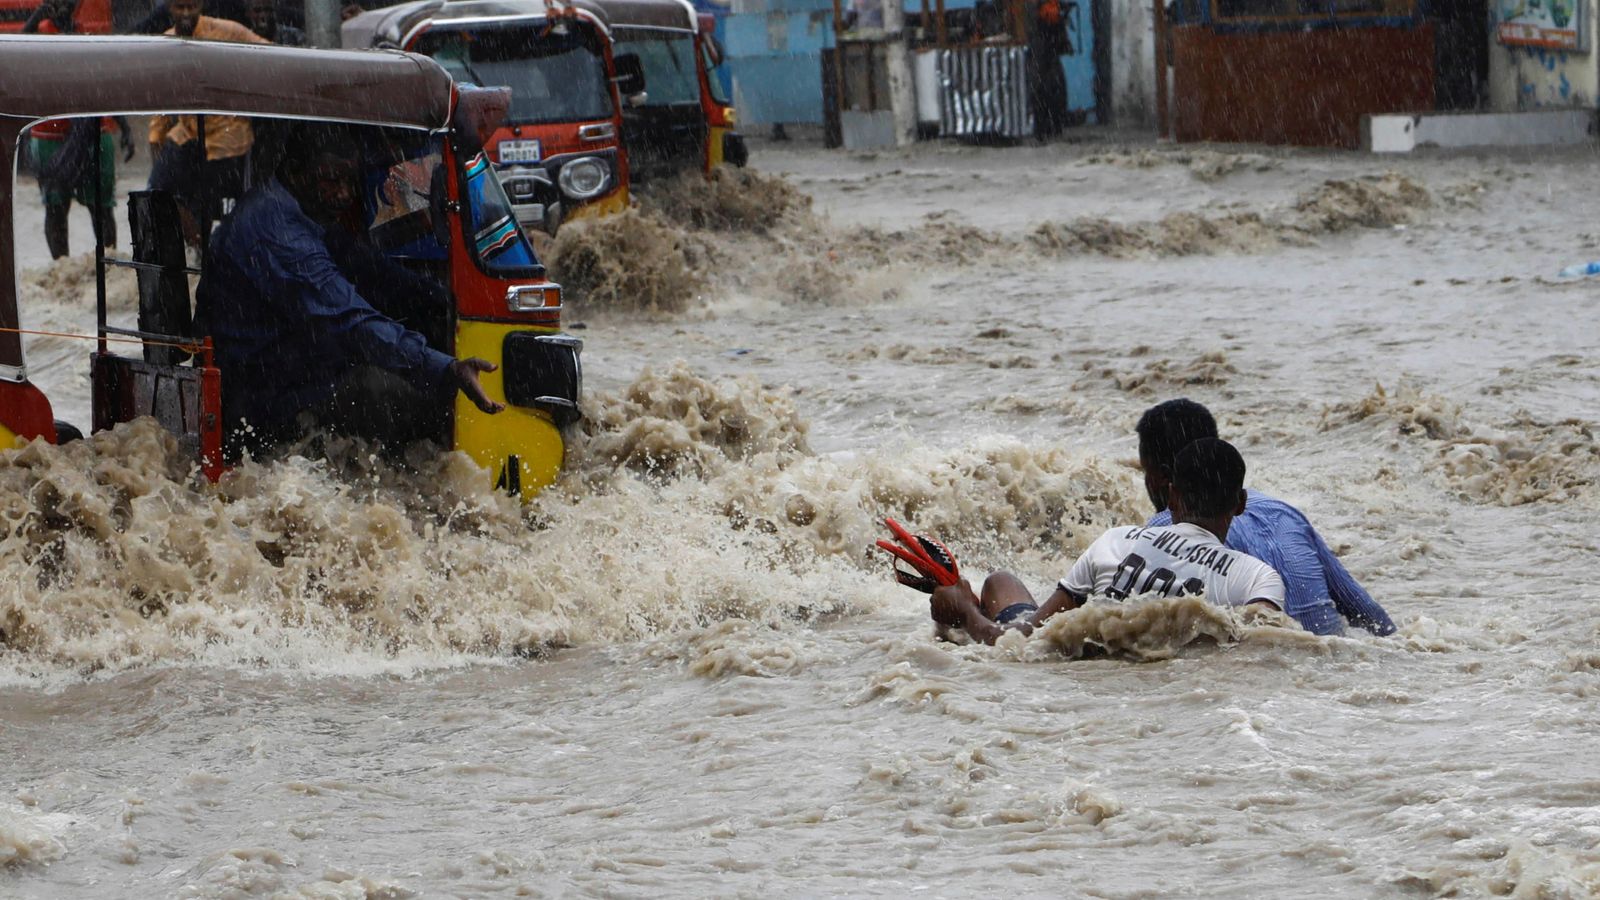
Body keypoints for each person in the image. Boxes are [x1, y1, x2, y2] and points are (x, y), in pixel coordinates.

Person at [195, 127, 504, 453]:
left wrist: (443, 300)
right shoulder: (277, 233)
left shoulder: (296, 210)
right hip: (266, 396)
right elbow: (348, 319)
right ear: (295, 171)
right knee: (405, 399)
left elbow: (366, 267)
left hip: (291, 369)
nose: (344, 194)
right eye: (331, 180)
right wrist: (444, 368)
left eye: (350, 181)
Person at [930, 438, 1285, 645]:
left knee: (1000, 581)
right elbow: (1261, 653)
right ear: (1240, 503)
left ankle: (961, 600)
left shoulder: (1116, 541)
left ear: (1172, 497)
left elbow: (1021, 642)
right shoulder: (1257, 579)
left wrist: (966, 612)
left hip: (1085, 676)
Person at [1137, 399, 1397, 637]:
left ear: (1163, 479)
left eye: (1144, 470)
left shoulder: (1162, 532)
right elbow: (1371, 618)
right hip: (1330, 670)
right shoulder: (1284, 514)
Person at [146, 0, 270, 249]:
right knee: (157, 191)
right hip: (187, 133)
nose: (185, 14)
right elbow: (162, 95)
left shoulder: (228, 32)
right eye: (179, 7)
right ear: (170, 8)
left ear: (200, 6)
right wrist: (156, 135)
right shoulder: (166, 43)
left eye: (191, 7)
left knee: (222, 206)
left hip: (228, 135)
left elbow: (270, 54)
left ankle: (223, 251)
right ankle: (197, 246)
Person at [21, 0, 136, 257]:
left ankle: (108, 267)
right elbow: (12, 56)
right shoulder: (38, 35)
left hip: (93, 132)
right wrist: (37, 17)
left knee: (102, 207)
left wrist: (124, 125)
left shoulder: (87, 34)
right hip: (49, 133)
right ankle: (63, 269)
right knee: (55, 208)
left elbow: (100, 86)